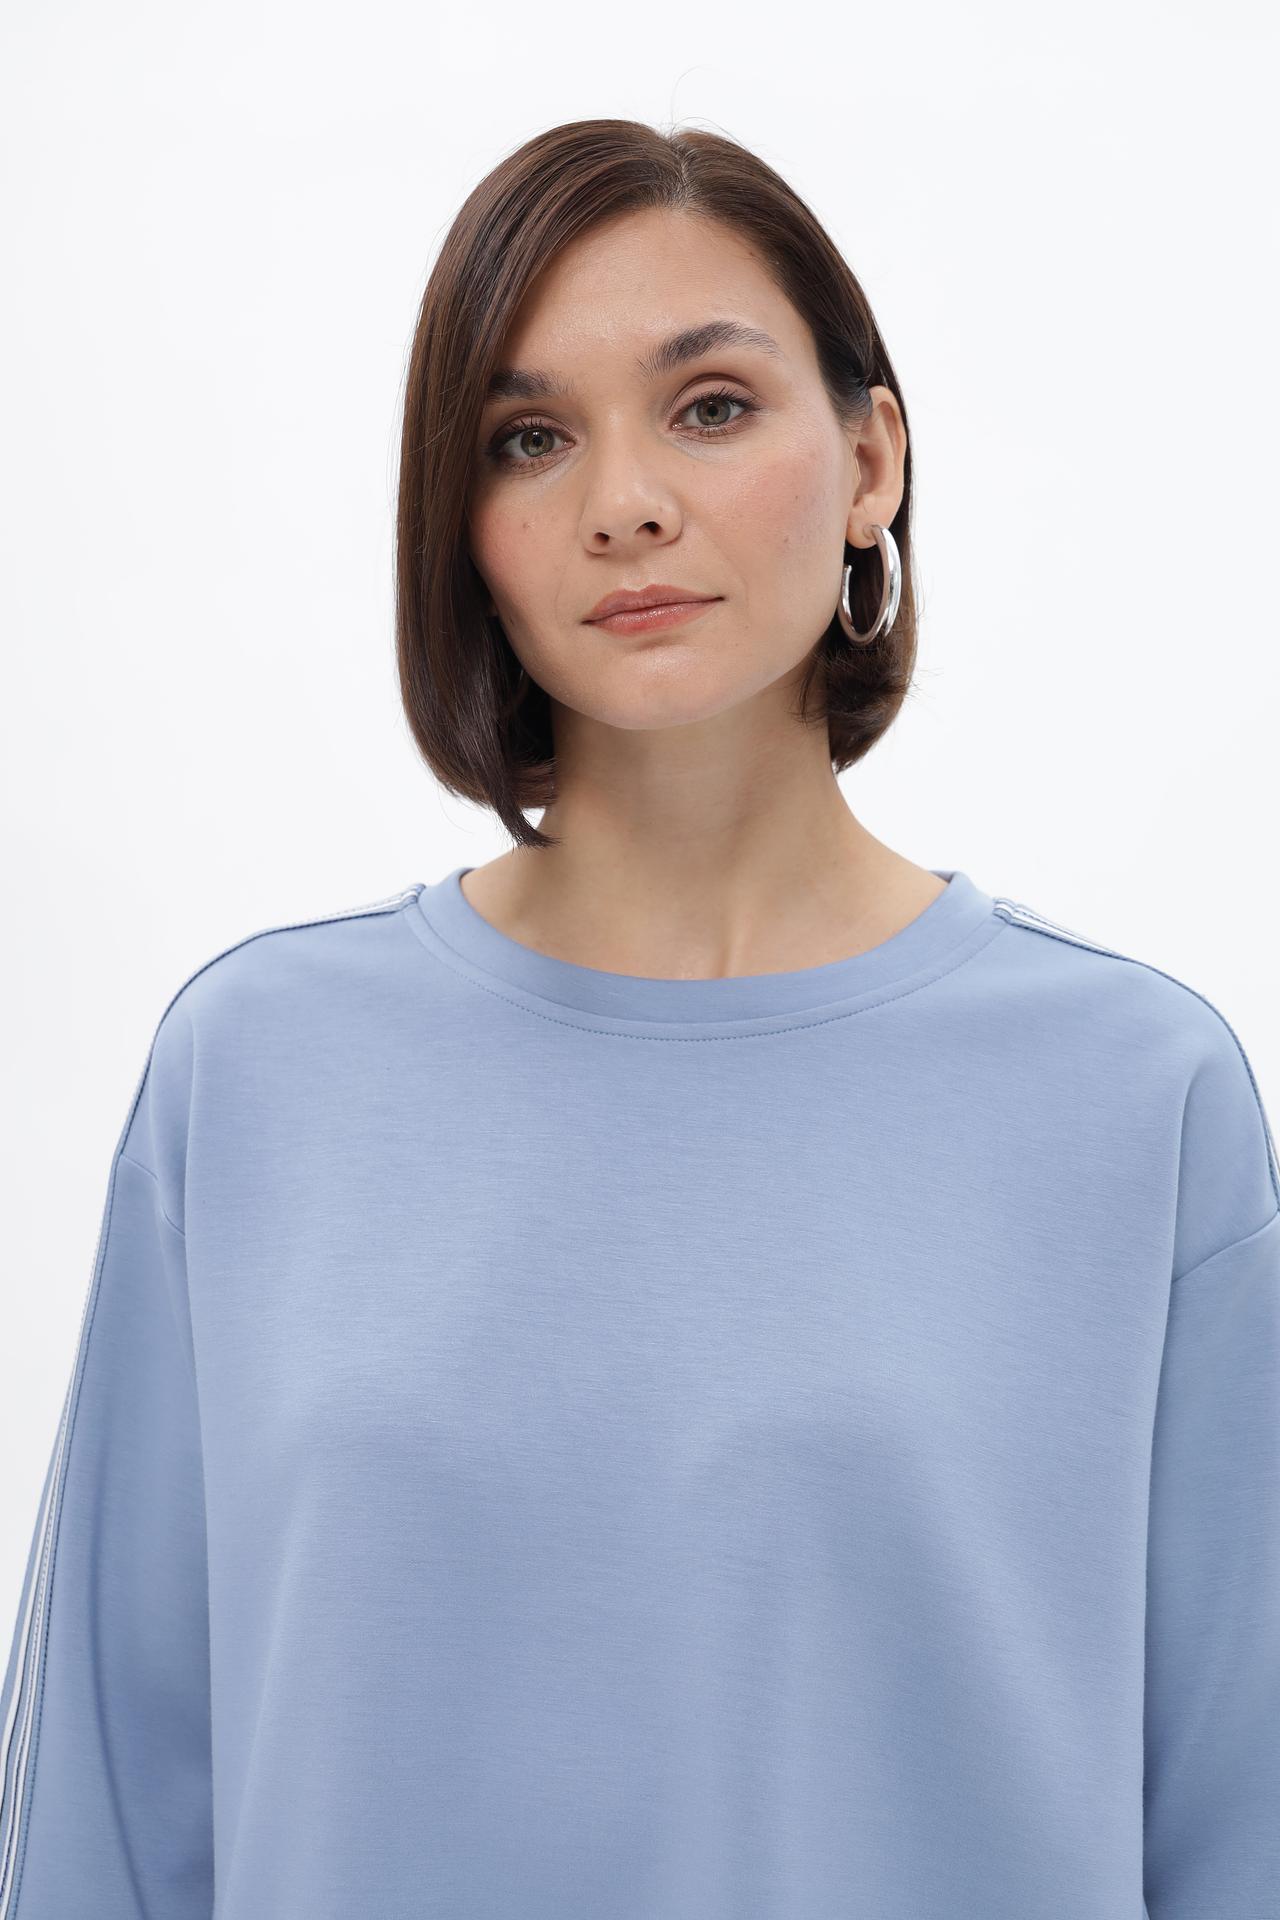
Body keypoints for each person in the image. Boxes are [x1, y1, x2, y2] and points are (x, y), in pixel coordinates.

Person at [1, 117, 1276, 1920]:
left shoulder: (1134, 1096)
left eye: (710, 406)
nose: (624, 502)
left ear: (871, 460)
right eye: (529, 439)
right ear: (462, 526)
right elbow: (106, 1829)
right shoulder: (259, 1072)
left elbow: (1239, 1824)